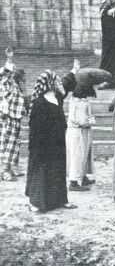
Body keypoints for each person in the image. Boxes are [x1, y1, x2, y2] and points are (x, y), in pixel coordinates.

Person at [25, 70, 76, 212]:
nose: (58, 82)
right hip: (43, 145)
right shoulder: (39, 103)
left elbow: (66, 86)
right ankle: (37, 202)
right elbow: (35, 128)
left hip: (57, 143)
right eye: (56, 80)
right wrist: (37, 148)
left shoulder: (57, 97)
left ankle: (59, 200)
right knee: (42, 171)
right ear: (50, 83)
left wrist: (73, 72)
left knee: (57, 170)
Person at [0, 48, 28, 181]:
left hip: (16, 119)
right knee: (9, 144)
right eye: (23, 78)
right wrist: (9, 59)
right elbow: (5, 74)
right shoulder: (8, 86)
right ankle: (5, 171)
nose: (25, 80)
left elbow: (25, 102)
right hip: (8, 118)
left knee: (15, 144)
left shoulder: (18, 89)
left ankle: (11, 168)